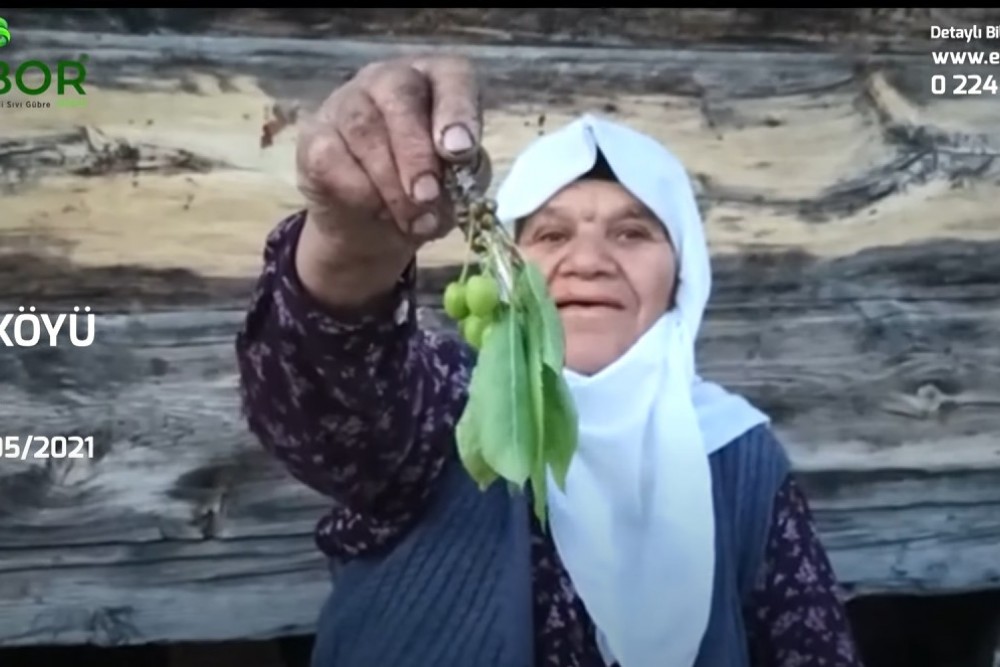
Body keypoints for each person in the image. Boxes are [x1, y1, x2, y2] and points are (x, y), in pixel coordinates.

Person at [235, 56, 865, 667]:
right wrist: (347, 255)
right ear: (506, 266)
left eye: (632, 233)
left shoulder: (736, 453)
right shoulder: (447, 405)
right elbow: (324, 402)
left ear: (683, 276)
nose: (588, 261)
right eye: (551, 235)